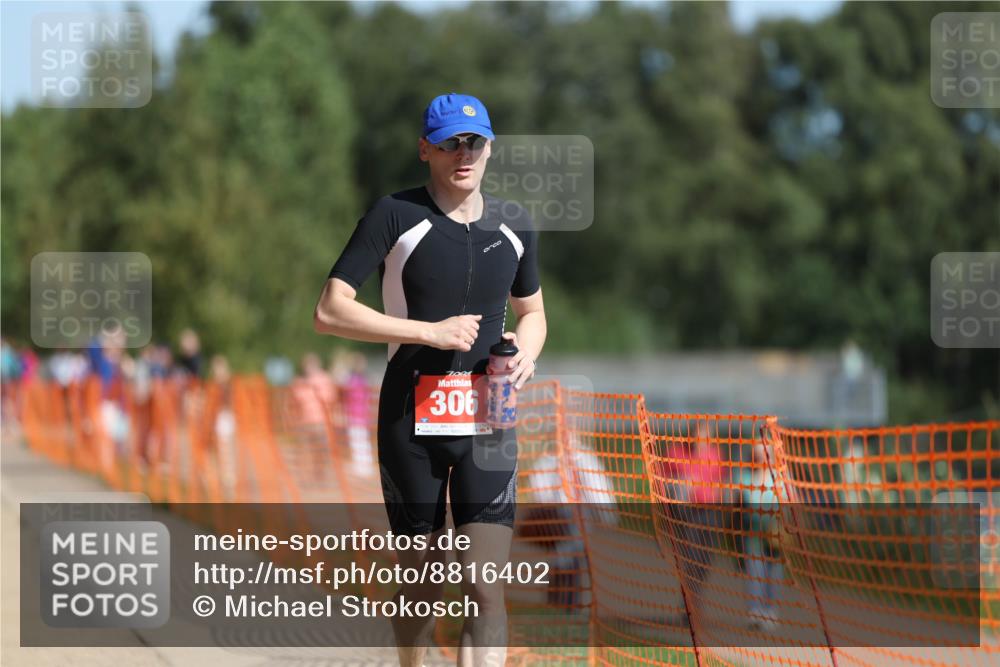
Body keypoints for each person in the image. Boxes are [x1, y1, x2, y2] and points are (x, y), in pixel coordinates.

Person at [314, 93, 546, 667]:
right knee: (422, 584)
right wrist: (428, 332)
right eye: (449, 144)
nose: (463, 154)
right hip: (410, 418)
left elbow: (533, 312)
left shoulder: (515, 224)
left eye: (474, 142)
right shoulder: (395, 215)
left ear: (490, 147)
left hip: (489, 419)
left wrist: (526, 353)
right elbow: (330, 310)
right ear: (425, 149)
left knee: (485, 585)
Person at [739, 442, 784, 631]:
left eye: (764, 453)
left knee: (774, 573)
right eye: (757, 453)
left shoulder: (780, 478)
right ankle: (755, 611)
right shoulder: (746, 477)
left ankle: (770, 610)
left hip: (775, 535)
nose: (760, 457)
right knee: (756, 571)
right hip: (754, 534)